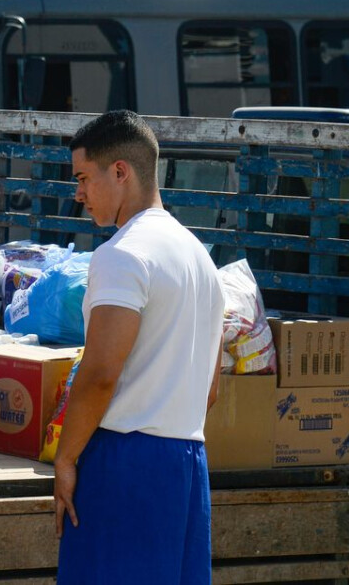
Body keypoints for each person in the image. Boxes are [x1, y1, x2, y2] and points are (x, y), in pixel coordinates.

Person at [53, 110, 224, 584]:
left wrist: (66, 460)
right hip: (188, 465)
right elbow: (211, 389)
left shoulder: (122, 254)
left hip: (125, 465)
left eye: (84, 178)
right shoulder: (200, 259)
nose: (78, 194)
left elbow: (101, 372)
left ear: (121, 172)